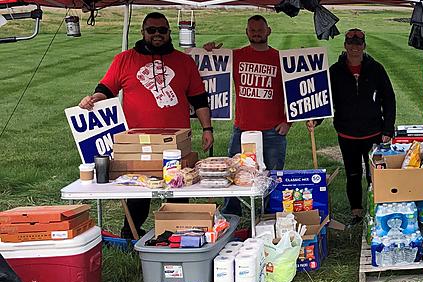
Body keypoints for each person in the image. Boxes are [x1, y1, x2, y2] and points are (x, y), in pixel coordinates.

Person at [78, 12, 212, 238]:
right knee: (139, 189)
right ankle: (131, 232)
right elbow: (106, 88)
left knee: (177, 187)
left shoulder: (184, 61)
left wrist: (207, 129)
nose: (157, 34)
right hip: (137, 141)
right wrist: (93, 100)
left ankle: (178, 232)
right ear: (143, 32)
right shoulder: (124, 59)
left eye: (162, 30)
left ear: (170, 32)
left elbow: (198, 98)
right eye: (152, 30)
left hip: (175, 141)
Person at [203, 14, 289, 215]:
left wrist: (288, 122)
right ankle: (231, 214)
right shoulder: (236, 56)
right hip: (242, 128)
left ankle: (269, 214)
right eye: (252, 30)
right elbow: (210, 66)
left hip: (273, 130)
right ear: (246, 32)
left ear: (268, 31)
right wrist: (208, 52)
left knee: (272, 176)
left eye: (260, 30)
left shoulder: (279, 58)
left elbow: (293, 92)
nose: (256, 33)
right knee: (232, 174)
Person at [309, 28, 395, 224]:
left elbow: (389, 98)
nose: (354, 48)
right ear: (345, 45)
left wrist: (388, 128)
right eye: (351, 44)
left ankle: (379, 207)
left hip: (374, 132)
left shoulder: (376, 69)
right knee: (353, 174)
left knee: (376, 174)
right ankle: (356, 212)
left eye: (358, 44)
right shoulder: (335, 71)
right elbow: (325, 100)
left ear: (364, 46)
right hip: (347, 133)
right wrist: (316, 119)